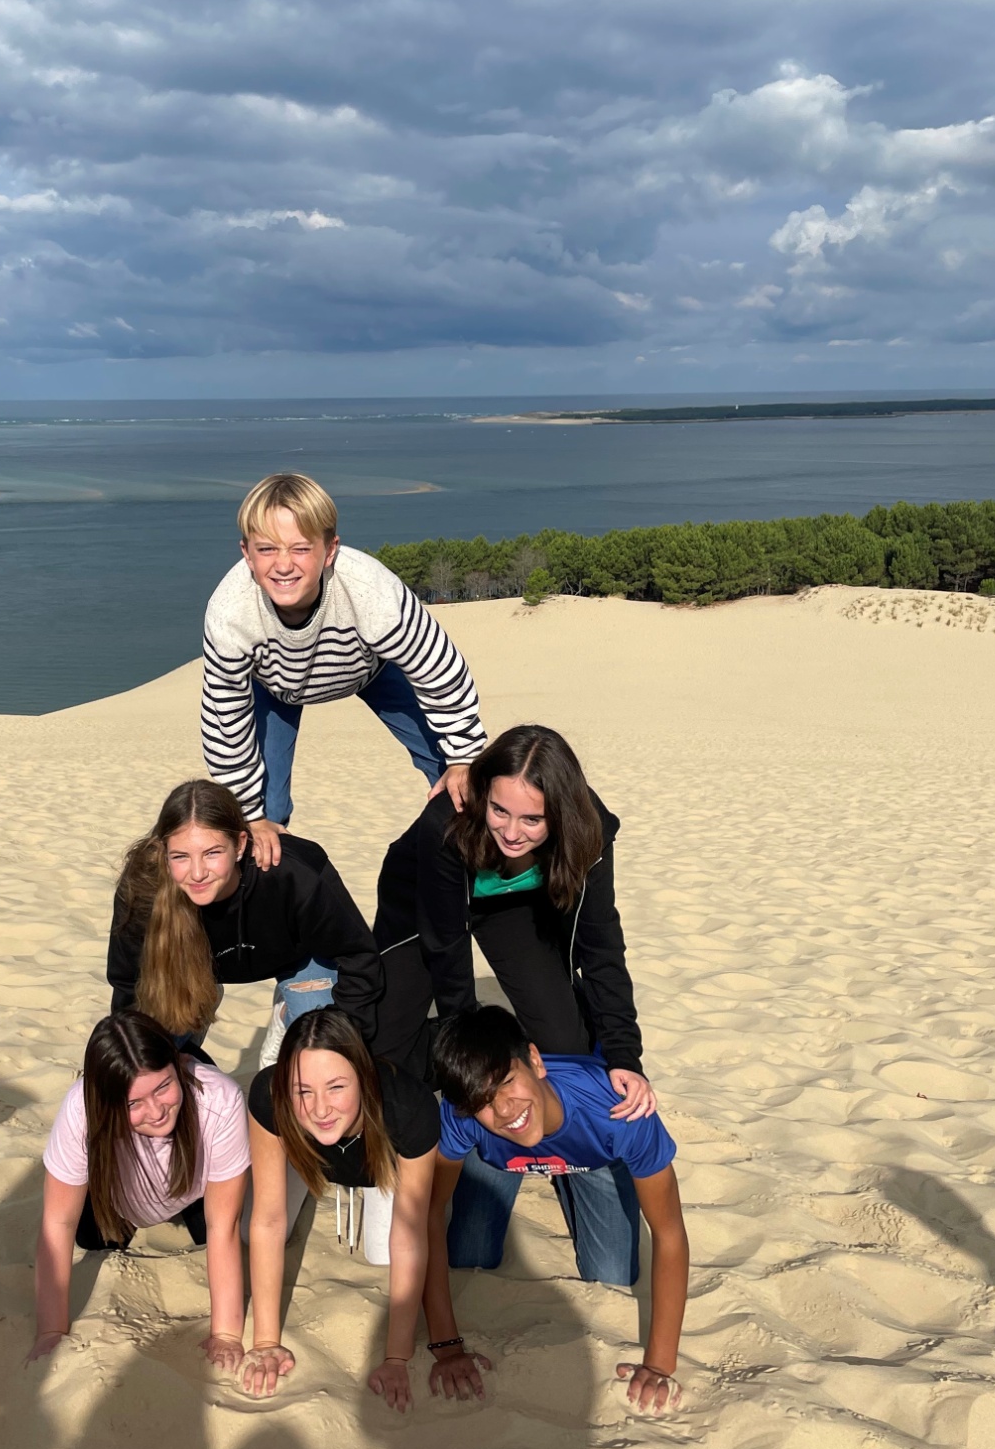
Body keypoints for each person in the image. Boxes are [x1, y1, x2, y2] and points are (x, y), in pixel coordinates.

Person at [371, 722, 655, 1282]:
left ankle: (566, 1160)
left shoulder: (590, 834)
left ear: (562, 815)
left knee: (567, 1041)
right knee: (389, 1049)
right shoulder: (447, 822)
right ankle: (455, 1138)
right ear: (482, 793)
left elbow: (601, 949)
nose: (513, 831)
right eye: (500, 811)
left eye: (532, 819)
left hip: (510, 905)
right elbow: (446, 951)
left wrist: (624, 1055)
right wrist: (468, 1057)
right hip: (424, 904)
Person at [201, 472, 487, 872]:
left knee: (459, 778)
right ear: (247, 554)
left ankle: (477, 870)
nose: (283, 565)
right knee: (261, 819)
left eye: (301, 548)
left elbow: (438, 669)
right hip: (276, 686)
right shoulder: (231, 614)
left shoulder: (371, 591)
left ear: (330, 550)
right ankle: (265, 904)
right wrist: (250, 812)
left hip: (372, 669)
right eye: (267, 549)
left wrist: (464, 755)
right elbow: (224, 720)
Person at [422, 1006, 688, 1415]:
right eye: (484, 1102)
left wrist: (659, 1364)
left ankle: (566, 1176)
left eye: (508, 1082)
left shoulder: (619, 1110)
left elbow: (669, 1233)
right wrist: (446, 1346)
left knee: (613, 1274)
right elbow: (428, 1216)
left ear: (535, 1060)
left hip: (595, 1152)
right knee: (468, 1255)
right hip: (499, 1155)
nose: (505, 1109)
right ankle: (551, 1170)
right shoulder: (464, 1115)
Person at [29, 1010, 250, 1371]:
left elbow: (223, 1225)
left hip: (193, 1193)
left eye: (163, 1086)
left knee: (218, 1233)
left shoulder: (220, 1100)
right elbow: (57, 1222)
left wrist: (226, 1334)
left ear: (177, 1065)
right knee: (91, 1236)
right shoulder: (81, 1109)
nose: (157, 1111)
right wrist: (50, 1332)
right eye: (134, 1103)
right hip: (118, 1199)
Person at [242, 1008, 439, 1410]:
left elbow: (411, 1233)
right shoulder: (269, 1095)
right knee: (249, 1231)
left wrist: (396, 1359)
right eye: (303, 1090)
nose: (319, 1108)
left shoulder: (408, 1107)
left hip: (383, 1162)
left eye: (336, 1087)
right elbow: (268, 1217)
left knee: (384, 1251)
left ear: (362, 1080)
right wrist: (265, 1343)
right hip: (311, 1156)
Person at [106, 778, 383, 1047]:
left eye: (212, 853)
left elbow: (358, 957)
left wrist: (348, 1044)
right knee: (156, 1052)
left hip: (298, 959)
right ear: (164, 852)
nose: (198, 873)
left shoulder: (291, 874)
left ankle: (289, 1017)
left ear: (239, 845)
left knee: (326, 1043)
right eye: (180, 856)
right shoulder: (143, 887)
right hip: (194, 968)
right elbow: (129, 985)